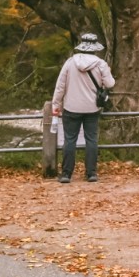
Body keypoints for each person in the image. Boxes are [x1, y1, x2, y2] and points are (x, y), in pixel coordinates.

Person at [52, 32, 115, 183]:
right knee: (91, 139)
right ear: (95, 48)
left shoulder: (70, 62)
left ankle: (67, 174)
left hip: (71, 107)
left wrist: (56, 105)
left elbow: (60, 86)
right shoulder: (100, 64)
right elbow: (110, 84)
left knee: (70, 140)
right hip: (92, 108)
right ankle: (91, 173)